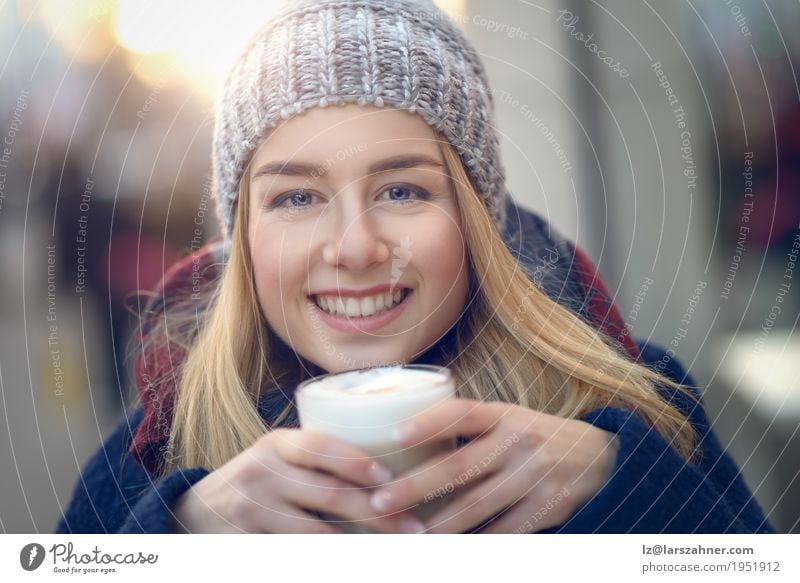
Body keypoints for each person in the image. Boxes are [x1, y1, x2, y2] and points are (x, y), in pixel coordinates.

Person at [56, 0, 774, 534]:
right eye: (297, 196)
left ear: (474, 216)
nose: (356, 246)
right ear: (243, 234)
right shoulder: (150, 458)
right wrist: (177, 540)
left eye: (403, 189)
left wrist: (631, 489)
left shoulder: (634, 404)